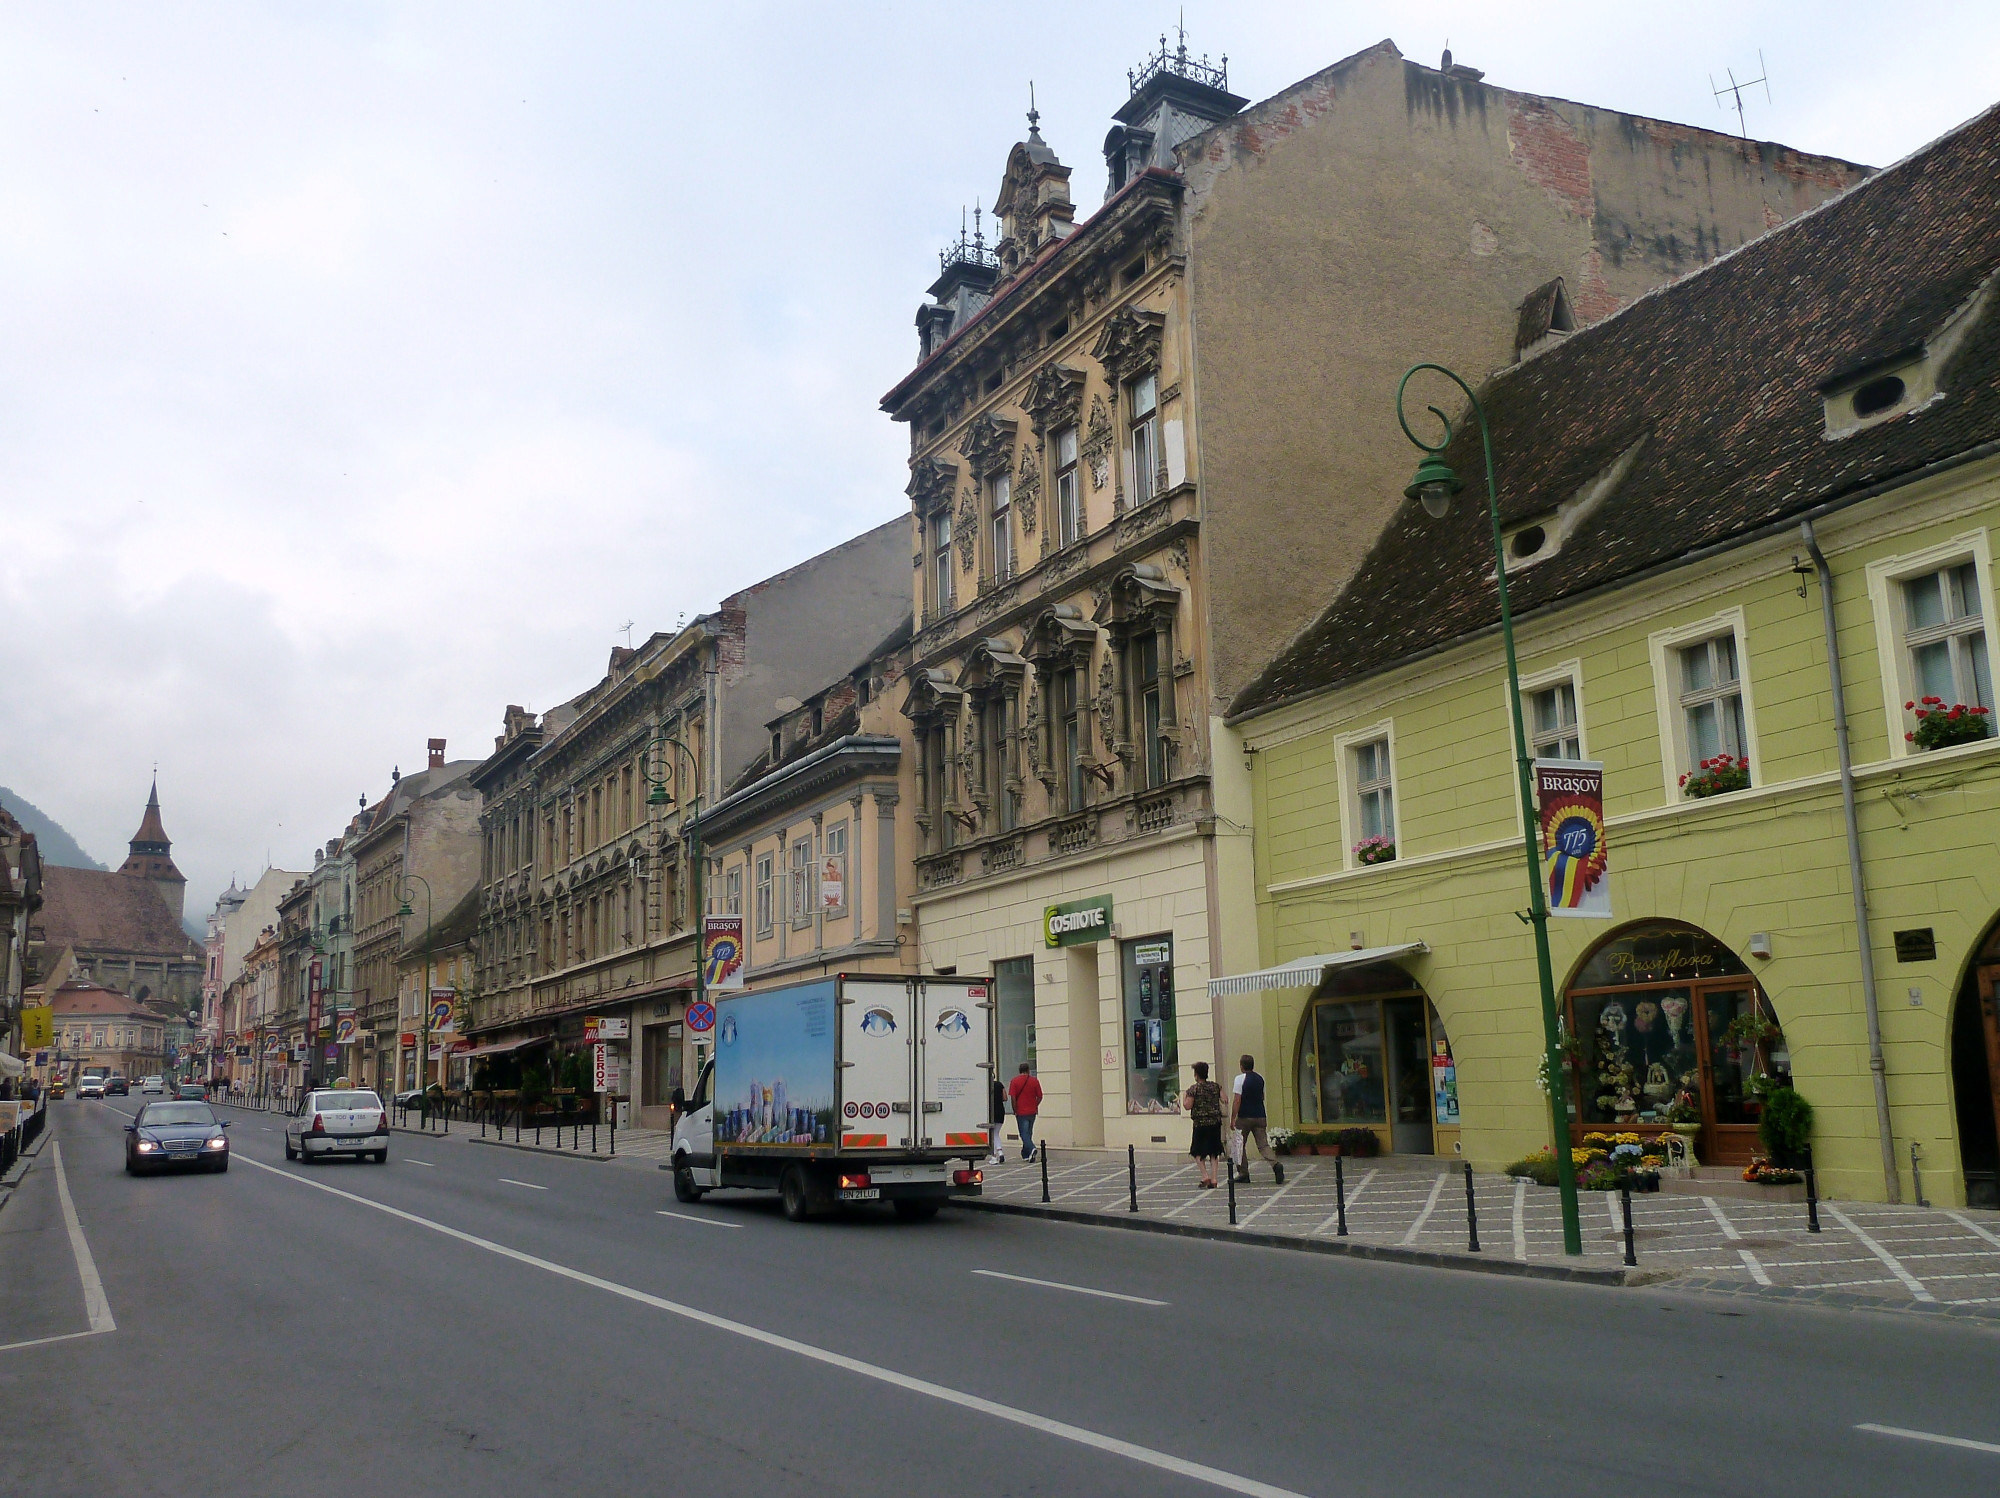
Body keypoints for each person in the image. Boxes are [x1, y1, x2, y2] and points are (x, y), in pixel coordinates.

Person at [1229, 1054, 1284, 1185]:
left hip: (1244, 1117)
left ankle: (1243, 1173)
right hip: (1260, 1115)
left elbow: (1237, 1100)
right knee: (1263, 1145)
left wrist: (1233, 1118)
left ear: (1241, 1066)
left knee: (1239, 1145)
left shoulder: (1239, 1079)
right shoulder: (1260, 1079)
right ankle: (1275, 1164)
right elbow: (1262, 1097)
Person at [1182, 1060, 1224, 1188]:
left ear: (1196, 1075)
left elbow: (1187, 1106)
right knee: (1214, 1152)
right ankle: (1214, 1179)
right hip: (1215, 1123)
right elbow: (1225, 1099)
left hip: (1200, 1124)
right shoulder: (1215, 1086)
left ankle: (1205, 1176)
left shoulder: (1193, 1089)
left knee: (1197, 1151)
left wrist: (1184, 1096)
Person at [1006, 1062, 1042, 1162]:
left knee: (1023, 1134)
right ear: (1028, 1070)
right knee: (1029, 1133)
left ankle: (1031, 1148)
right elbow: (1040, 1096)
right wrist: (1035, 1105)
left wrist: (1015, 1110)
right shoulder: (1034, 1081)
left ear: (1019, 1070)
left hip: (1021, 1112)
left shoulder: (1014, 1081)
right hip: (1032, 1111)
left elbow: (1013, 1097)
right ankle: (1026, 1154)